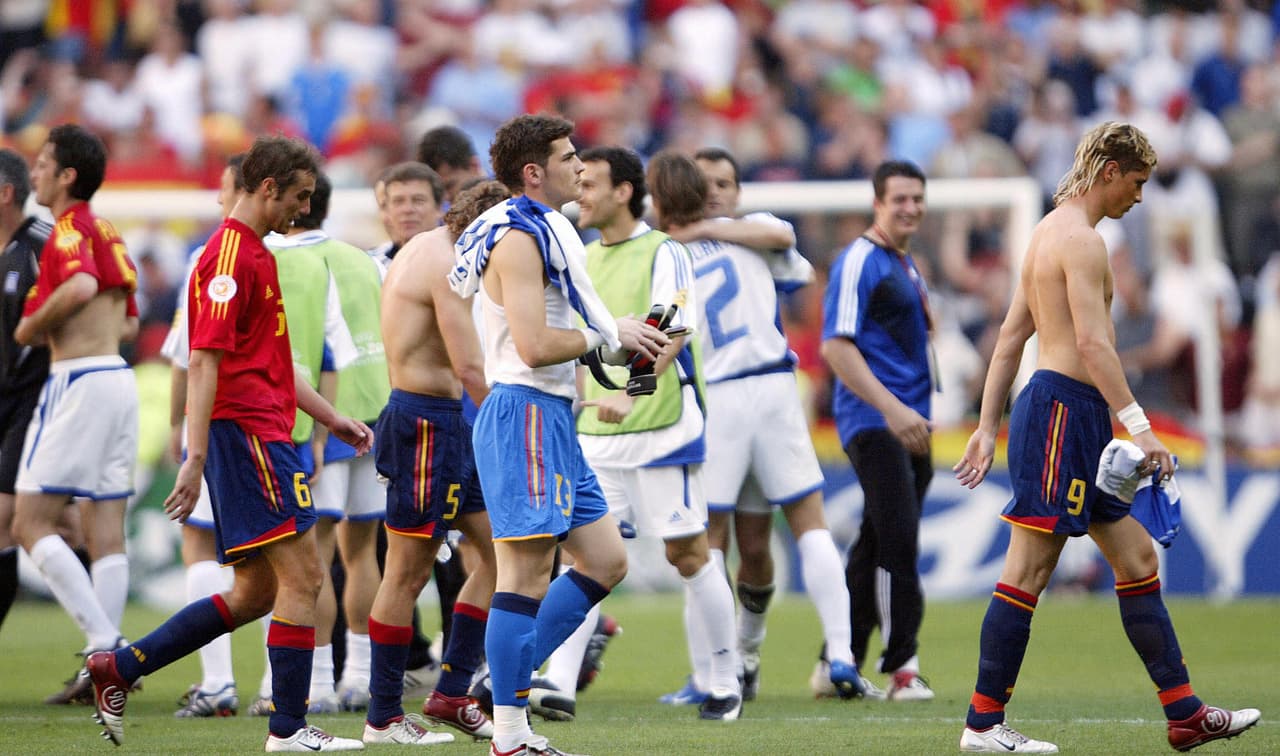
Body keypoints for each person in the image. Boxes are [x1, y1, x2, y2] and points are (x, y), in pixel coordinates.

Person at [952, 121, 1261, 753]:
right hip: (1064, 412)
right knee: (1030, 569)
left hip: (1069, 412)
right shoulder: (1083, 243)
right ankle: (982, 724)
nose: (1141, 197)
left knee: (1137, 559)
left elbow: (1011, 336)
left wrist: (987, 427)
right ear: (1111, 171)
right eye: (1139, 182)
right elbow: (1091, 344)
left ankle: (1184, 712)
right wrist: (1142, 427)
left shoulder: (1047, 231)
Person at [84, 135, 374, 753]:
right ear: (266, 188)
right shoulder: (225, 259)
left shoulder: (259, 253)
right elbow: (204, 360)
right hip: (247, 437)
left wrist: (332, 417)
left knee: (256, 593)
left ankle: (120, 667)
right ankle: (289, 730)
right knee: (305, 576)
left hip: (265, 430)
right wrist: (192, 457)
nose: (302, 209)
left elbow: (272, 362)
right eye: (297, 197)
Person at [449, 113, 667, 756]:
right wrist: (610, 332)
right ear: (534, 172)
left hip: (549, 418)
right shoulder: (519, 239)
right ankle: (510, 733)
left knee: (605, 560)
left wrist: (608, 342)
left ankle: (501, 683)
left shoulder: (543, 228)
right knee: (522, 574)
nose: (582, 166)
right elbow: (535, 344)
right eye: (570, 157)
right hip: (524, 414)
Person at [659, 146, 862, 703]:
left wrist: (700, 230)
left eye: (726, 181)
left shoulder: (676, 251)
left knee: (725, 542)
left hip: (730, 398)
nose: (718, 191)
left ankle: (737, 668)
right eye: (707, 184)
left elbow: (779, 241)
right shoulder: (753, 236)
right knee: (761, 537)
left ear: (737, 190)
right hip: (766, 391)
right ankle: (804, 655)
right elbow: (787, 250)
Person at [567, 146, 742, 721]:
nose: (580, 193)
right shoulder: (583, 257)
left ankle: (724, 679)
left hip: (663, 429)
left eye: (589, 183)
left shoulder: (663, 250)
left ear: (623, 191)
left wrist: (628, 393)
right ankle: (557, 685)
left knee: (688, 552)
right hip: (597, 437)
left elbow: (671, 328)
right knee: (587, 561)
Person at [363, 179, 511, 745]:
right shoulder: (448, 262)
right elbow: (470, 367)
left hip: (445, 422)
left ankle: (450, 694)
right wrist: (513, 424)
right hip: (427, 423)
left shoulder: (428, 245)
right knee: (407, 568)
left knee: (499, 556)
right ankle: (383, 716)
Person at [11, 124, 139, 706]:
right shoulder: (108, 230)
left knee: (28, 522)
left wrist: (32, 327)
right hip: (117, 375)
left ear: (66, 176)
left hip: (79, 379)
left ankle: (107, 646)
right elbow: (130, 321)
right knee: (105, 533)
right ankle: (103, 671)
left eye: (42, 164)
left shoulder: (68, 229)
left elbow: (83, 285)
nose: (33, 172)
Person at [820, 159, 936, 701]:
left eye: (917, 198)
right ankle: (903, 667)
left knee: (872, 544)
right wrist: (892, 410)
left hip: (909, 422)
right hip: (877, 421)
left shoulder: (905, 263)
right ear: (877, 203)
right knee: (898, 538)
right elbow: (835, 346)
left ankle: (836, 661)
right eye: (899, 199)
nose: (910, 207)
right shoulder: (860, 260)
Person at [263, 171, 374, 715]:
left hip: (315, 424)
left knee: (316, 557)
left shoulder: (277, 260)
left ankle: (321, 684)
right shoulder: (363, 259)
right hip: (375, 413)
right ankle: (362, 675)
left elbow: (318, 353)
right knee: (367, 554)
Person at [160, 153, 249, 718]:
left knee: (201, 545)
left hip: (225, 421)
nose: (217, 200)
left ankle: (218, 684)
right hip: (292, 423)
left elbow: (188, 353)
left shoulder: (211, 257)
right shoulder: (308, 257)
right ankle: (295, 687)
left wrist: (179, 424)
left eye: (223, 189)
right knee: (286, 558)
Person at [0, 148, 51, 636]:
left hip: (34, 403)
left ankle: (107, 645)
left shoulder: (42, 243)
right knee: (64, 529)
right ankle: (108, 649)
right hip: (8, 405)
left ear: (6, 194)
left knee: (10, 523)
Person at [367, 162, 445, 269]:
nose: (408, 209)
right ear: (387, 210)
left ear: (439, 208)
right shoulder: (371, 264)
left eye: (418, 200)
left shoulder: (459, 261)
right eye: (398, 201)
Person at [417, 125, 484, 205]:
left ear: (474, 165)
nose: (445, 198)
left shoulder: (501, 204)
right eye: (437, 191)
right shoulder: (440, 213)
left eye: (449, 186)